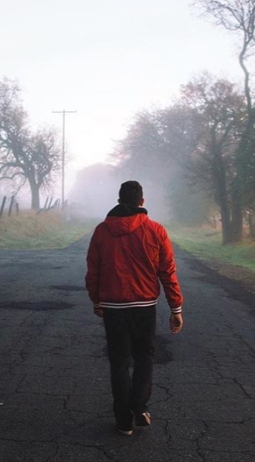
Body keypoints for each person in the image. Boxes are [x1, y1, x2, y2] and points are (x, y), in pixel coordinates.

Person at [85, 180, 184, 436]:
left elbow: (93, 271)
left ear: (119, 200)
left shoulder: (101, 231)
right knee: (144, 357)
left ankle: (123, 421)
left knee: (118, 362)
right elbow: (167, 271)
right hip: (144, 306)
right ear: (142, 201)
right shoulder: (156, 231)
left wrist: (96, 300)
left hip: (113, 306)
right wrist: (176, 308)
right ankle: (139, 406)